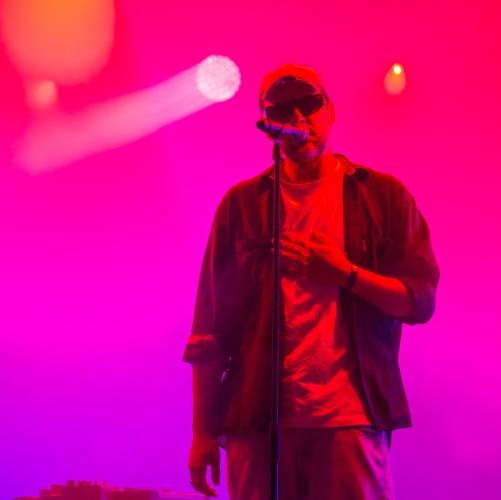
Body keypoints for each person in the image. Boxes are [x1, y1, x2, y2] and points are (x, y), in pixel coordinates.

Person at [185, 63, 439, 500]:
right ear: (267, 124)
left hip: (350, 420)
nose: (298, 117)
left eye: (309, 103)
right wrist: (202, 432)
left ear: (331, 111)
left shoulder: (384, 196)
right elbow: (209, 333)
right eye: (281, 110)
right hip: (257, 423)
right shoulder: (240, 206)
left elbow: (420, 302)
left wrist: (346, 274)